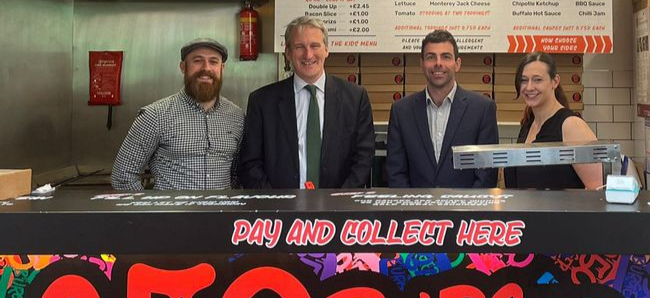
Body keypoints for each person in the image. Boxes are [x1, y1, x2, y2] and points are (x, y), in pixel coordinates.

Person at [238, 16, 375, 189]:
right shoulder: (262, 101)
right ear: (288, 52)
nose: (308, 55)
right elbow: (251, 163)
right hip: (280, 210)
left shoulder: (356, 98)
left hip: (337, 209)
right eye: (299, 47)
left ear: (326, 49)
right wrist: (276, 204)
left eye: (315, 46)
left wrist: (340, 202)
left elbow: (363, 158)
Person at [111, 38, 244, 191]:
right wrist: (152, 210)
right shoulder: (154, 115)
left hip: (222, 214)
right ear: (183, 67)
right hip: (170, 215)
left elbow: (237, 176)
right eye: (197, 61)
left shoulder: (237, 116)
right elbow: (122, 177)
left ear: (222, 68)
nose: (206, 68)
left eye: (213, 62)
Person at [386, 30, 498, 188]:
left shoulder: (482, 109)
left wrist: (467, 211)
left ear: (457, 64)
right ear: (422, 64)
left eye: (446, 56)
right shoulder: (401, 111)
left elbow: (487, 173)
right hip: (416, 210)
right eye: (431, 57)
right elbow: (395, 171)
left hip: (465, 210)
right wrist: (412, 210)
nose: (438, 63)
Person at [504, 51, 602, 190]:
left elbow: (597, 190)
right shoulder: (528, 124)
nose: (529, 87)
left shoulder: (571, 125)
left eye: (537, 79)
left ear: (555, 81)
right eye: (524, 80)